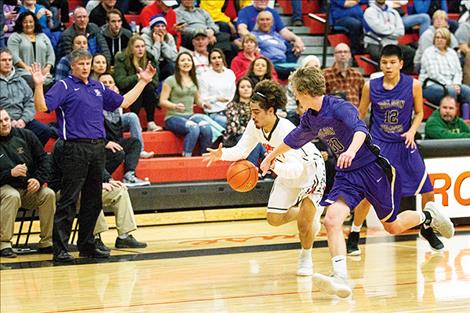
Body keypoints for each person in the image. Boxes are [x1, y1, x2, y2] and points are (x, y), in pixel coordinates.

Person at [260, 66, 455, 298]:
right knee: (331, 220)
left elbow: (361, 129)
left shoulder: (338, 107)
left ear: (303, 90)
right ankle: (341, 277)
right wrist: (271, 156)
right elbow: (293, 140)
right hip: (347, 175)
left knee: (391, 226)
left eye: (295, 90)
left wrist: (351, 151)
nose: (293, 94)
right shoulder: (310, 118)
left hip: (373, 169)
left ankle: (428, 215)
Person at [31, 48, 156, 263]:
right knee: (69, 200)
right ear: (72, 66)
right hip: (74, 148)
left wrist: (143, 82)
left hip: (98, 148)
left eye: (88, 63)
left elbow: (124, 102)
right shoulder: (64, 86)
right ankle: (60, 248)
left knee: (93, 200)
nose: (85, 67)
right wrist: (39, 84)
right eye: (81, 64)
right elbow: (42, 106)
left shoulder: (98, 86)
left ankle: (87, 245)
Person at [203, 79, 326, 277]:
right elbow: (241, 150)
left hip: (309, 171)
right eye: (251, 111)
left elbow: (296, 169)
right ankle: (308, 213)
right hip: (285, 169)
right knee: (274, 219)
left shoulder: (286, 131)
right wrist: (222, 155)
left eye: (256, 112)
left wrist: (273, 164)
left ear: (271, 111)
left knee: (304, 226)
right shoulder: (255, 126)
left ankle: (306, 256)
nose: (252, 116)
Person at [347, 44, 445, 257]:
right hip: (379, 146)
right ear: (380, 64)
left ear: (401, 64)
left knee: (427, 190)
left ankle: (427, 229)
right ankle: (354, 234)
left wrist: (411, 131)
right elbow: (360, 114)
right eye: (384, 62)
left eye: (392, 62)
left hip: (404, 143)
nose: (388, 66)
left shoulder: (414, 85)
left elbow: (419, 113)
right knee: (367, 195)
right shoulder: (369, 86)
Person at [49, 140, 148, 250]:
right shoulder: (62, 145)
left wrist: (109, 179)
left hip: (85, 186)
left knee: (120, 191)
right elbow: (73, 176)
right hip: (63, 190)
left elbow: (96, 165)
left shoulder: (88, 142)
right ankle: (93, 238)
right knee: (92, 195)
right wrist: (97, 184)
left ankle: (124, 236)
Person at [0, 107, 55, 258]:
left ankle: (46, 242)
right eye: (0, 121)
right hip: (4, 189)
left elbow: (44, 160)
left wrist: (38, 179)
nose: (4, 124)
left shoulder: (26, 135)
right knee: (11, 195)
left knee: (48, 194)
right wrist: (10, 174)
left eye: (6, 119)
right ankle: (4, 243)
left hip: (27, 189)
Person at [160, 51, 219, 157]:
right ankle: (186, 156)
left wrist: (204, 104)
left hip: (190, 116)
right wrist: (175, 106)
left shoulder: (194, 80)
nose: (186, 63)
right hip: (173, 117)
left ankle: (204, 157)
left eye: (188, 60)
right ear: (177, 64)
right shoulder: (170, 80)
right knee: (193, 128)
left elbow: (197, 100)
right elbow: (162, 101)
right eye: (183, 60)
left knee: (207, 128)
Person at [0, 48, 54, 146]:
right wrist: (9, 121)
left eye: (10, 60)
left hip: (23, 120)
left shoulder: (21, 80)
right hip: (3, 122)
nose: (7, 63)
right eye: (3, 60)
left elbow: (30, 102)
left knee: (45, 130)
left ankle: (30, 155)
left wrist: (23, 120)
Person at [99, 73, 155, 159]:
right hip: (103, 128)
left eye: (110, 82)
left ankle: (140, 151)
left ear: (114, 85)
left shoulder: (115, 93)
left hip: (115, 123)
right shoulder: (94, 94)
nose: (107, 84)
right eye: (104, 82)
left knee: (132, 116)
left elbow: (124, 106)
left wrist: (143, 81)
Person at [114, 35, 162, 132]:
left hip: (147, 94)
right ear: (131, 48)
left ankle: (151, 122)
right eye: (137, 47)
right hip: (128, 93)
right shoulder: (122, 59)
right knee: (136, 86)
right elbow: (121, 82)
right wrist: (138, 77)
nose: (140, 49)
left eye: (143, 46)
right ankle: (135, 122)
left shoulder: (150, 59)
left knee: (148, 87)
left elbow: (156, 83)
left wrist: (147, 79)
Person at [419, 27, 470, 106]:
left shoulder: (452, 53)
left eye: (443, 38)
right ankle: (450, 116)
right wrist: (451, 85)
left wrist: (456, 84)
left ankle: (465, 117)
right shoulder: (429, 52)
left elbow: (458, 72)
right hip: (431, 85)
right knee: (451, 91)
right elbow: (434, 74)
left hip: (451, 85)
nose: (439, 40)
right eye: (437, 37)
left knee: (467, 91)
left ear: (447, 40)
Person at [364, 0, 416, 74]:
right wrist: (393, 29)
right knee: (384, 56)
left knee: (411, 53)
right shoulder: (369, 12)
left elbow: (401, 31)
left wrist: (388, 30)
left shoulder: (394, 12)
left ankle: (400, 77)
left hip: (392, 43)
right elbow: (379, 29)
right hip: (375, 43)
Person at [237, 0, 304, 56]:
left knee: (293, 46)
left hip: (273, 40)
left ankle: (288, 68)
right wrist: (253, 41)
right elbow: (241, 29)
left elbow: (283, 31)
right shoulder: (245, 11)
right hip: (256, 42)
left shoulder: (273, 12)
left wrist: (297, 39)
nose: (262, 0)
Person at [7, 11, 55, 88]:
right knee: (32, 81)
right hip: (23, 72)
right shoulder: (15, 37)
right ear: (21, 23)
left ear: (35, 23)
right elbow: (13, 55)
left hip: (43, 72)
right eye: (25, 22)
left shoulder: (43, 36)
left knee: (51, 83)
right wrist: (27, 68)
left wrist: (47, 68)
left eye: (31, 22)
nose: (28, 24)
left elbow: (51, 54)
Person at [224, 76, 265, 165]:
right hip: (235, 136)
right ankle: (253, 169)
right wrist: (253, 133)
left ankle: (264, 168)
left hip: (254, 135)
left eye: (248, 87)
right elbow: (235, 128)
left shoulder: (257, 105)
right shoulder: (232, 105)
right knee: (255, 142)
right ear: (237, 90)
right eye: (242, 87)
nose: (246, 89)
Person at [251, 10, 298, 80]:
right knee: (295, 73)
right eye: (262, 20)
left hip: (284, 63)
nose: (265, 22)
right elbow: (240, 42)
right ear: (257, 22)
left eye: (268, 19)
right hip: (269, 64)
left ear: (272, 22)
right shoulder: (253, 35)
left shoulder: (277, 35)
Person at [199, 48, 236, 128]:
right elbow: (202, 98)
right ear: (210, 61)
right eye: (214, 58)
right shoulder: (205, 76)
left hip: (230, 110)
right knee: (232, 124)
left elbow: (233, 93)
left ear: (223, 59)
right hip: (214, 112)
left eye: (219, 57)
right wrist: (216, 98)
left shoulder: (230, 73)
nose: (217, 60)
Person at [323, 43, 365, 108]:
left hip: (354, 115)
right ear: (334, 55)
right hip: (334, 115)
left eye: (345, 52)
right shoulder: (325, 74)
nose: (343, 54)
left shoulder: (357, 75)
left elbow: (363, 98)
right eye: (339, 52)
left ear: (350, 55)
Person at [141, 14, 177, 82]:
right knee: (155, 66)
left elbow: (174, 56)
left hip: (165, 63)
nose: (160, 28)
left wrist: (163, 43)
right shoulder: (144, 37)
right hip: (149, 64)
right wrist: (157, 43)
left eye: (163, 26)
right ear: (152, 28)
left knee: (172, 66)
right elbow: (153, 58)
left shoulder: (169, 37)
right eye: (157, 26)